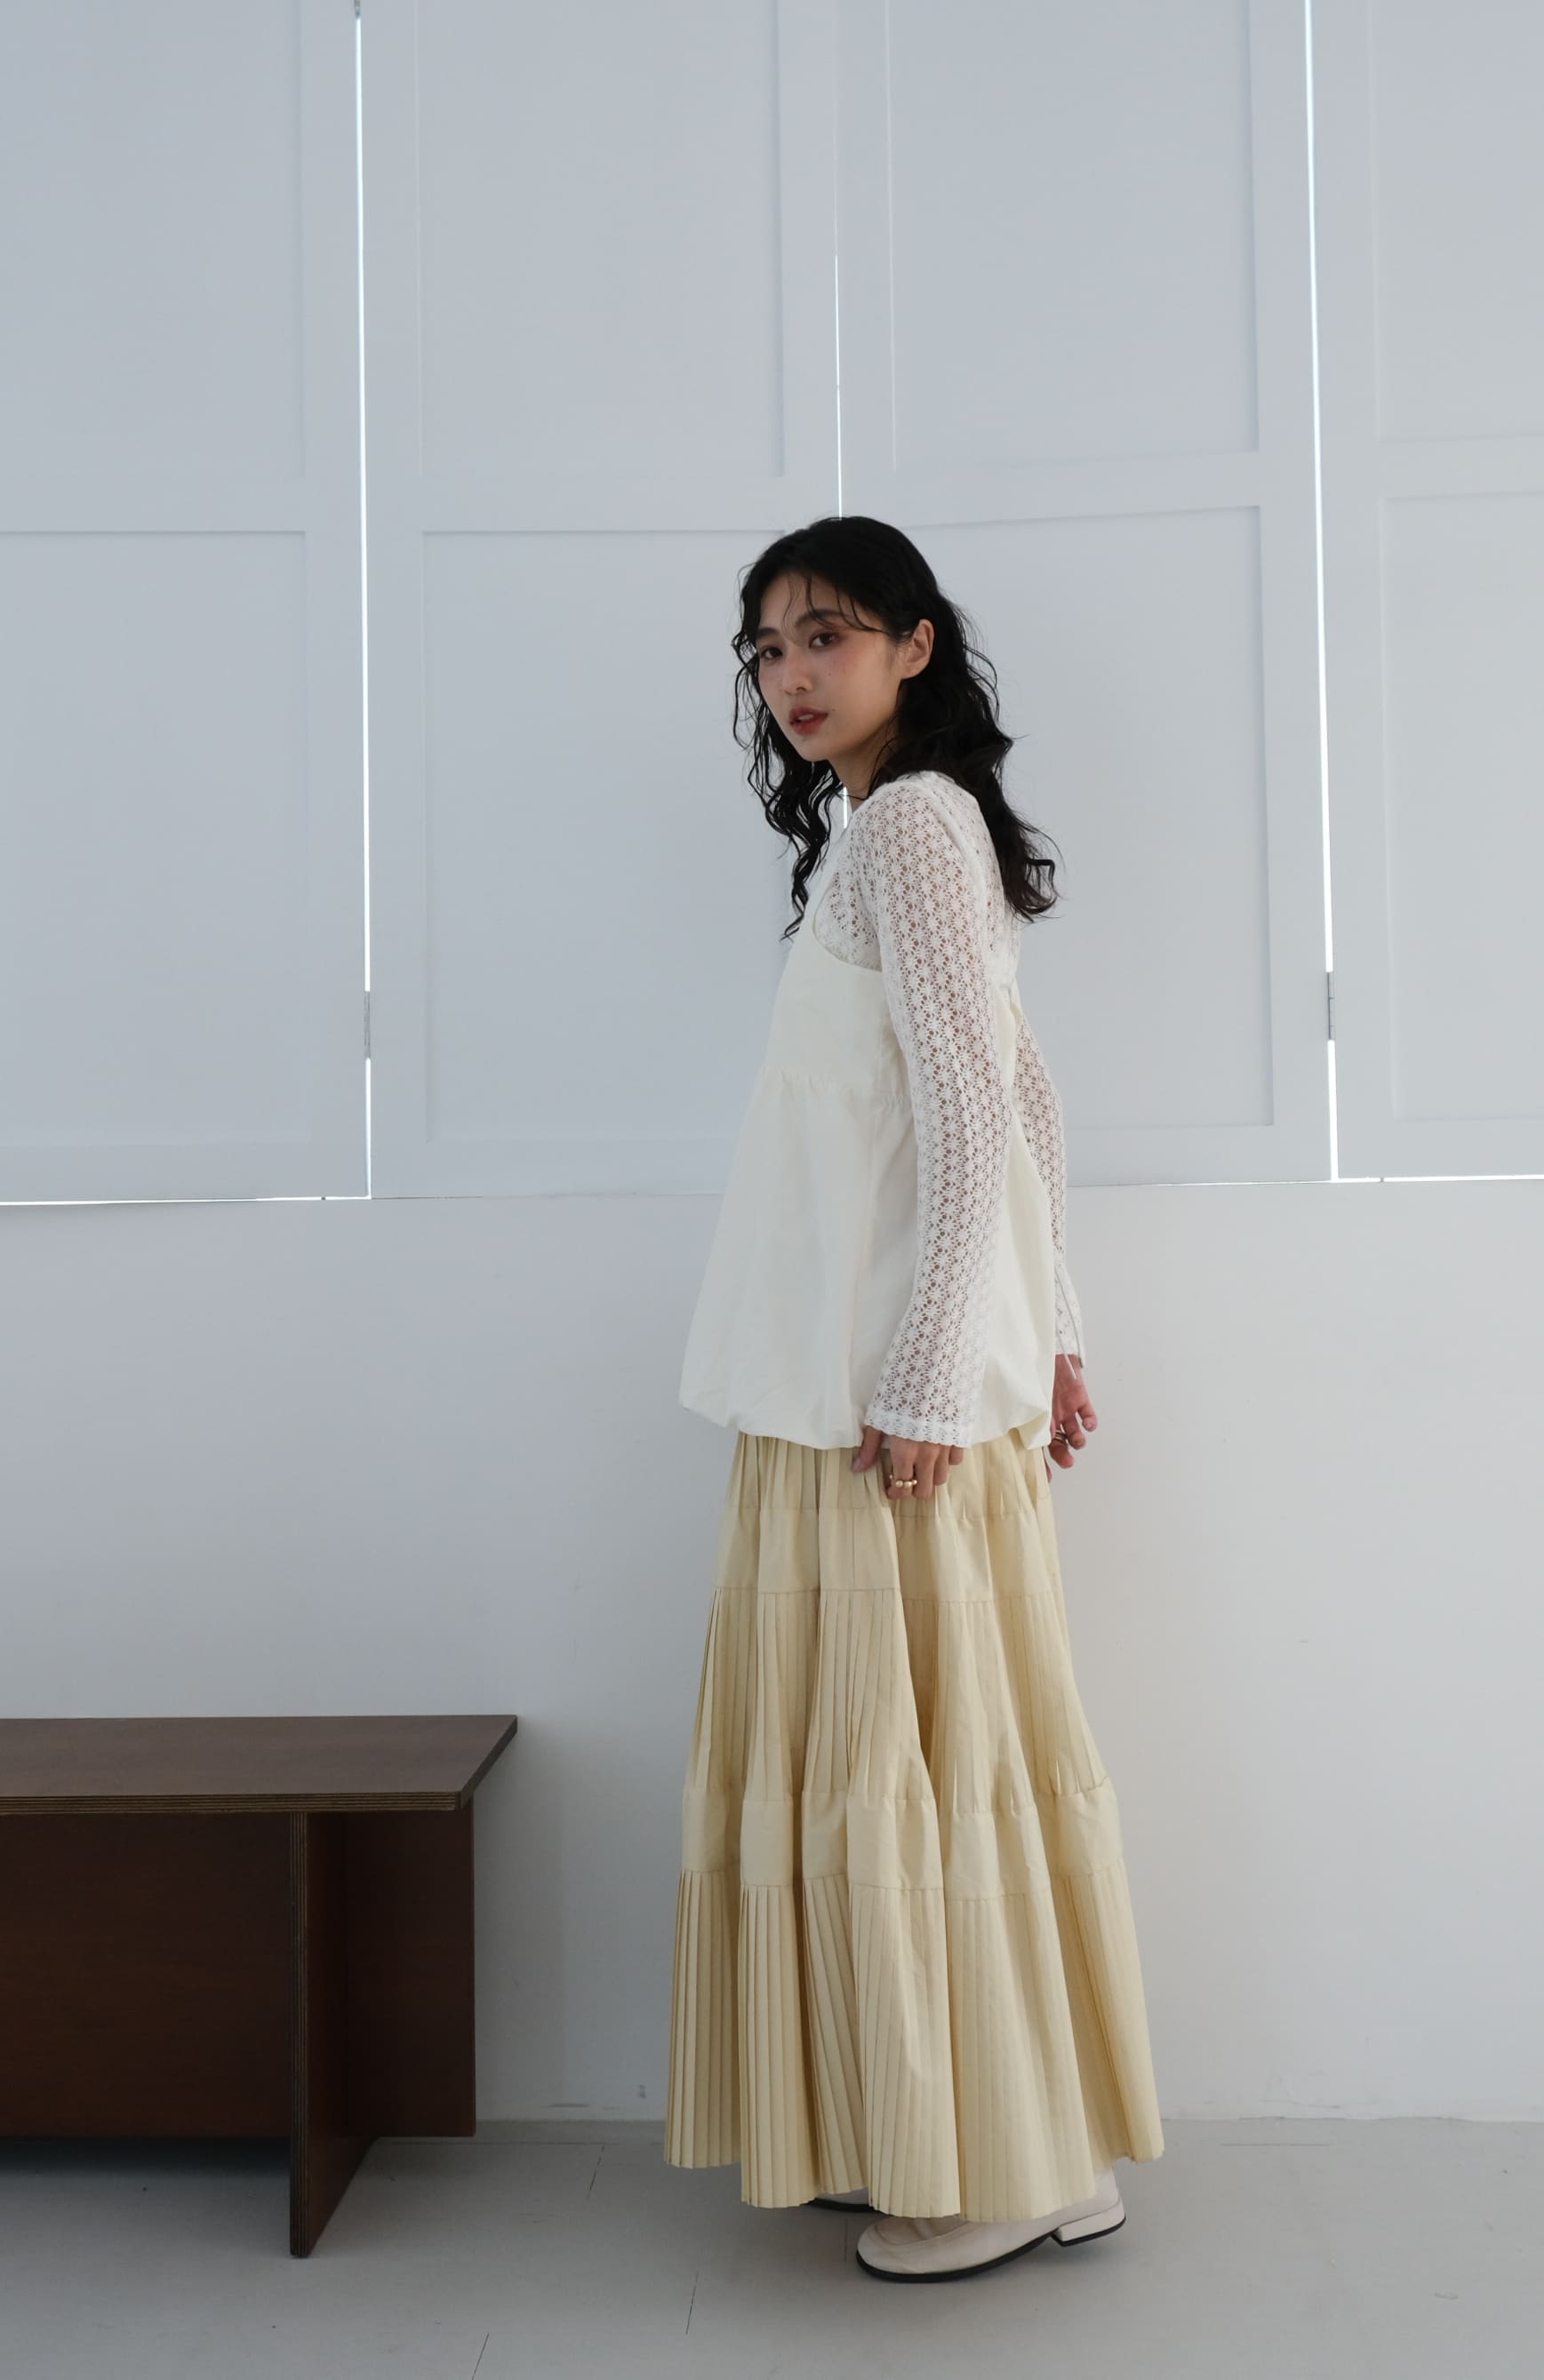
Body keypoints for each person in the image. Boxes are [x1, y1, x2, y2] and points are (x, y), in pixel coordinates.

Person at [663, 515, 1165, 2282]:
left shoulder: (909, 829)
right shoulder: (891, 833)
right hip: (891, 1373)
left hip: (876, 1394)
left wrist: (939, 1366)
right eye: (767, 648)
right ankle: (1027, 2146)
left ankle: (998, 2167)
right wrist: (1048, 1330)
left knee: (911, 1770)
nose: (791, 675)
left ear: (914, 643)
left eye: (826, 635)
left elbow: (976, 1110)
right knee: (944, 1762)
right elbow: (1023, 1096)